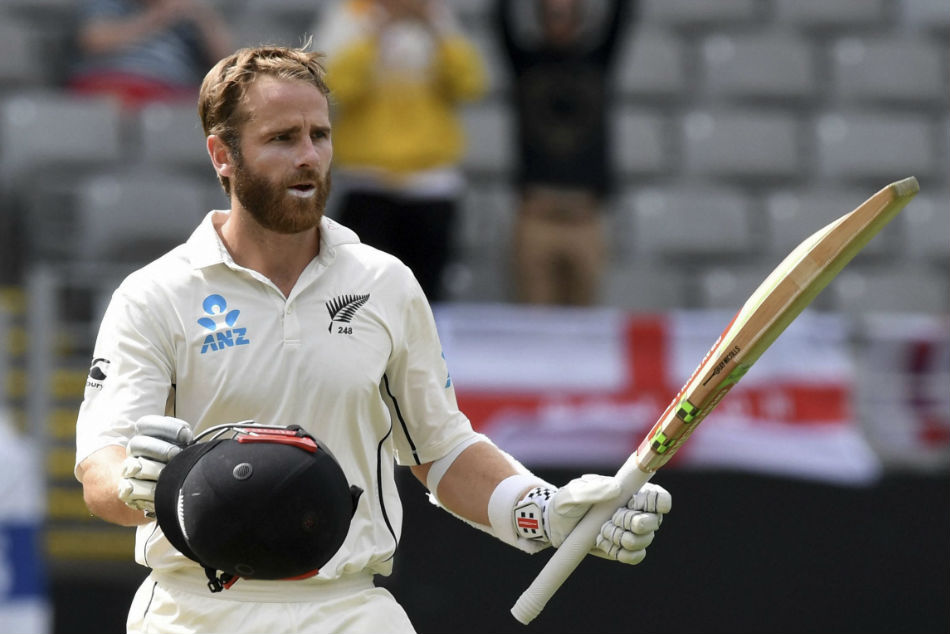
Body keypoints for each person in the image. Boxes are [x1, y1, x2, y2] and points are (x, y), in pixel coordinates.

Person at [73, 44, 671, 633]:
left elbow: (440, 449)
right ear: (222, 155)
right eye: (282, 138)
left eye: (320, 135)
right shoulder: (154, 294)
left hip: (348, 609)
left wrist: (541, 509)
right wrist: (134, 483)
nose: (309, 157)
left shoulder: (384, 282)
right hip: (193, 611)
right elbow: (101, 469)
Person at [309, 0, 487, 301]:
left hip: (431, 182)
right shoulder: (350, 15)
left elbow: (470, 84)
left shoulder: (436, 17)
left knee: (427, 299)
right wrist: (376, 33)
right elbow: (332, 87)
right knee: (361, 297)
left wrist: (435, 30)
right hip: (368, 179)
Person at [495, 0, 633, 306]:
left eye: (566, 13)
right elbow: (500, 19)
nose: (559, 20)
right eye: (552, 13)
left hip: (585, 215)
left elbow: (622, 17)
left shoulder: (596, 61)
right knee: (535, 322)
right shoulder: (526, 64)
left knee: (583, 324)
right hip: (537, 213)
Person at [67, 0, 234, 110]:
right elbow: (94, 39)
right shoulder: (107, 4)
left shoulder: (189, 14)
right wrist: (160, 15)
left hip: (171, 94)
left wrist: (204, 19)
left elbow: (229, 67)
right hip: (111, 85)